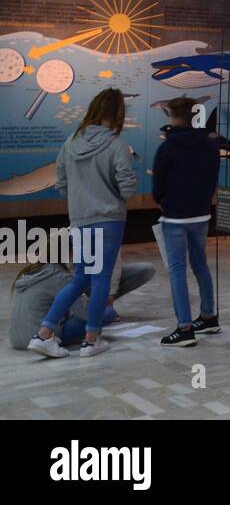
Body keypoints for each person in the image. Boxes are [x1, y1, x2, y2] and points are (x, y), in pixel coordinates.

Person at [27, 88, 137, 359]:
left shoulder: (70, 143)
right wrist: (112, 195)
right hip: (108, 221)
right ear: (119, 113)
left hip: (79, 220)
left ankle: (45, 332)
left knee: (80, 279)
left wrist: (81, 198)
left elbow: (61, 184)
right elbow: (127, 188)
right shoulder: (117, 145)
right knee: (100, 281)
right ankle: (91, 340)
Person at [152, 97, 221, 347]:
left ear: (171, 114)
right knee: (200, 265)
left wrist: (161, 199)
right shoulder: (211, 146)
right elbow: (213, 178)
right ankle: (208, 316)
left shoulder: (168, 147)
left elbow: (158, 183)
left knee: (177, 270)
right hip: (201, 214)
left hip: (175, 216)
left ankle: (184, 327)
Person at [9, 261, 155, 350]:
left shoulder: (31, 272)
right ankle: (83, 338)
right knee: (107, 314)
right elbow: (85, 314)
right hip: (37, 336)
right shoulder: (59, 276)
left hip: (16, 338)